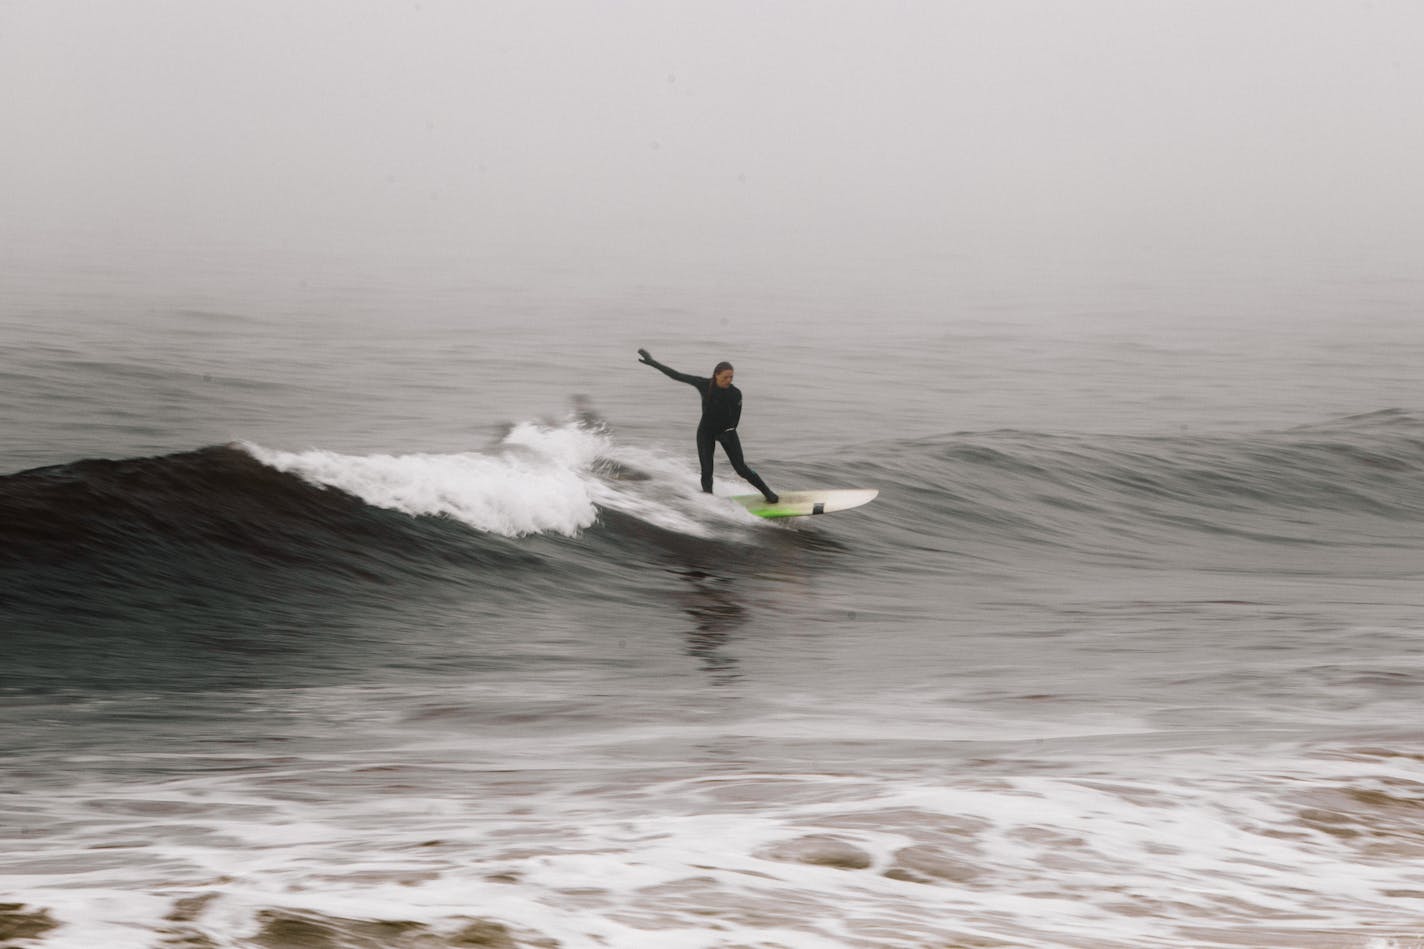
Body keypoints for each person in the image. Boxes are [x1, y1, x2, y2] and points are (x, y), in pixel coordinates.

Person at [637, 348, 779, 502]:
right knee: (707, 472)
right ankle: (710, 503)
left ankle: (767, 493)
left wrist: (729, 431)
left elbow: (736, 418)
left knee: (741, 469)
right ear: (716, 375)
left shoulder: (736, 393)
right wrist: (652, 362)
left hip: (727, 432)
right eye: (725, 377)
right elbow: (676, 375)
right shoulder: (704, 385)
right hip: (706, 433)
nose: (729, 380)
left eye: (731, 377)